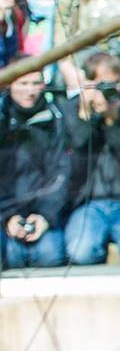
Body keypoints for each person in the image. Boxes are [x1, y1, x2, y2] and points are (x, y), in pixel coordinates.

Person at [60, 51, 120, 264]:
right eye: (99, 85)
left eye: (111, 84)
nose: (106, 91)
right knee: (80, 252)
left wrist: (113, 122)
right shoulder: (71, 111)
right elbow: (74, 165)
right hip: (87, 203)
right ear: (87, 85)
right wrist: (85, 117)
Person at [1, 68, 70, 268]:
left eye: (36, 83)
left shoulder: (57, 118)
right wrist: (7, 217)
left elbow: (61, 173)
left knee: (50, 255)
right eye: (23, 83)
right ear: (9, 85)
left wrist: (45, 216)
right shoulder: (2, 120)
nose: (30, 91)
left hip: (43, 213)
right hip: (6, 214)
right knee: (11, 257)